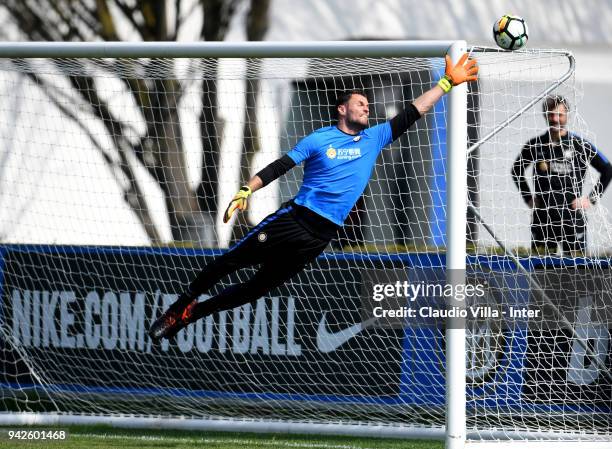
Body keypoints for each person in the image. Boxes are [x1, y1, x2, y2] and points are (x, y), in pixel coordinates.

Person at [148, 53, 478, 342]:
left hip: (320, 237)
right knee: (230, 261)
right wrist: (248, 188)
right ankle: (177, 309)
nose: (366, 106)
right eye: (359, 102)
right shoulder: (320, 138)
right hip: (294, 219)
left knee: (256, 289)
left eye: (367, 104)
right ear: (342, 108)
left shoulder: (374, 138)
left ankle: (192, 315)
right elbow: (281, 165)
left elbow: (414, 110)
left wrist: (447, 82)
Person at [511, 95, 612, 255]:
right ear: (545, 115)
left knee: (576, 272)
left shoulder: (579, 144)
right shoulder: (535, 144)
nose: (555, 119)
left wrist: (590, 199)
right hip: (543, 219)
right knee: (541, 271)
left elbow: (608, 169)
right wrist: (528, 197)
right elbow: (516, 170)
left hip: (572, 219)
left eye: (560, 115)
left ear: (567, 116)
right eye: (551, 114)